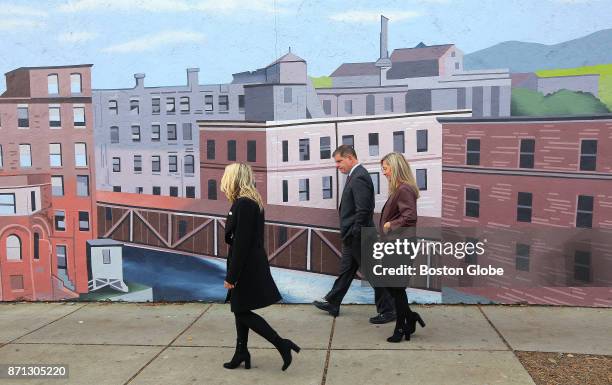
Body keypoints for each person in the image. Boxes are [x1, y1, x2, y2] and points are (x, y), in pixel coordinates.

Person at [220, 163, 300, 370]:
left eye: (226, 175)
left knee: (240, 310)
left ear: (235, 179)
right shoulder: (248, 201)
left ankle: (281, 344)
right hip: (249, 264)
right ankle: (241, 352)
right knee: (241, 308)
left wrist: (232, 276)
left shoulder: (245, 204)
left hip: (247, 266)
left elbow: (242, 244)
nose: (223, 179)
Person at [313, 145, 395, 323]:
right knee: (346, 270)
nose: (337, 165)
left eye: (339, 161)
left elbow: (364, 209)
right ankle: (333, 302)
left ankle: (389, 310)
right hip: (355, 235)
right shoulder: (355, 175)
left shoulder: (359, 177)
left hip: (359, 235)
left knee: (374, 274)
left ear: (350, 158)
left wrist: (354, 232)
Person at [379, 152, 426, 342]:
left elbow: (410, 216)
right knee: (393, 286)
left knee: (396, 287)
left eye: (385, 169)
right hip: (395, 245)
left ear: (395, 168)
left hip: (401, 246)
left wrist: (390, 225)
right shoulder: (399, 188)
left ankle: (400, 327)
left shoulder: (404, 189)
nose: (383, 173)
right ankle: (410, 317)